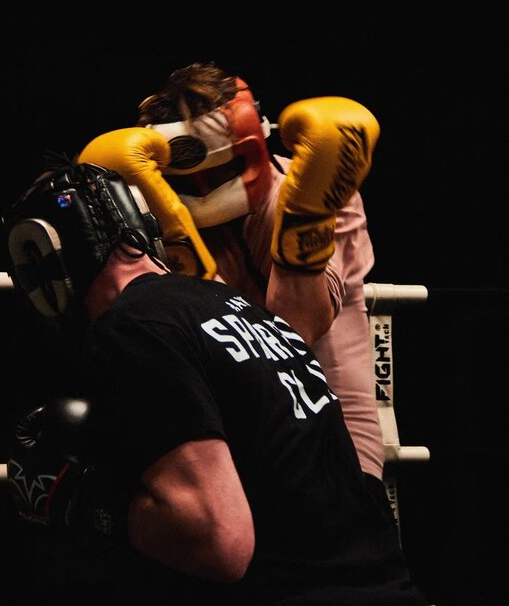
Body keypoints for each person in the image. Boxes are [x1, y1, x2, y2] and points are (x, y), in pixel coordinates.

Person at [0, 159, 429, 605]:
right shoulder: (240, 307)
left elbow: (219, 543)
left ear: (45, 255)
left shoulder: (132, 328)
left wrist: (83, 499)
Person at [78, 63, 385, 489]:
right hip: (222, 437)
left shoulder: (321, 182)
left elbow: (291, 336)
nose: (205, 185)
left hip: (332, 435)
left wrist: (306, 214)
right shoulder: (153, 208)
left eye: (219, 169)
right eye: (189, 174)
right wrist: (173, 231)